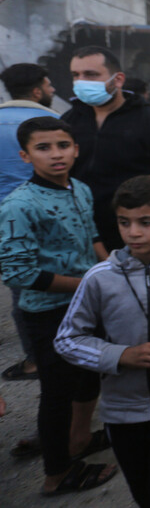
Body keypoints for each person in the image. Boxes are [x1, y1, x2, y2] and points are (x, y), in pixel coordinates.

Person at [55, 175, 150, 508]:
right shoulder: (99, 279)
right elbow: (67, 339)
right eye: (124, 223)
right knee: (145, 495)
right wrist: (119, 355)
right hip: (121, 412)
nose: (134, 232)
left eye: (145, 222)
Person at [0, 116, 117, 496]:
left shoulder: (79, 189)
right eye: (43, 148)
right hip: (49, 313)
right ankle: (56, 474)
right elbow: (18, 272)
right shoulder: (20, 204)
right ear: (25, 155)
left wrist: (109, 265)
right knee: (56, 392)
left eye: (63, 146)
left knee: (88, 377)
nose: (56, 155)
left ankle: (79, 440)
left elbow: (92, 233)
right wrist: (88, 282)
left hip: (87, 304)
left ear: (76, 149)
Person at [62, 46, 150, 252]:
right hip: (81, 235)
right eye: (76, 75)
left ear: (118, 79)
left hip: (137, 235)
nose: (82, 82)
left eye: (91, 74)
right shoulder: (70, 121)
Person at [0, 63, 57, 383]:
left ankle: (35, 359)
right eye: (49, 86)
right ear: (36, 90)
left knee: (20, 290)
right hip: (49, 219)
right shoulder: (52, 124)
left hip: (4, 226)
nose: (52, 91)